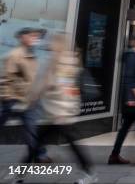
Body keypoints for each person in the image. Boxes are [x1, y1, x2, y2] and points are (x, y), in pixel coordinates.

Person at [26, 34, 97, 184]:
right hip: (56, 113)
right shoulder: (65, 61)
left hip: (58, 114)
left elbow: (61, 89)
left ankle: (19, 176)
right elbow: (65, 88)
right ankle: (19, 175)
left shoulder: (59, 62)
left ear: (57, 45)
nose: (48, 44)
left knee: (38, 144)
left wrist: (32, 99)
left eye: (51, 42)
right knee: (39, 143)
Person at [0, 27, 50, 163]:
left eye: (36, 37)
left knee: (31, 126)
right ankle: (40, 154)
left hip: (28, 99)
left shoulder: (31, 55)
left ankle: (40, 155)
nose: (35, 39)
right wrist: (10, 98)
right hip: (13, 99)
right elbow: (7, 79)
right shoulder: (15, 55)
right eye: (32, 36)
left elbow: (32, 78)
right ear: (23, 37)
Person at [108, 33, 135, 165]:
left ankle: (115, 155)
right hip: (133, 100)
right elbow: (129, 78)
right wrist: (130, 98)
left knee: (126, 127)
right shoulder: (133, 56)